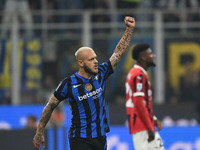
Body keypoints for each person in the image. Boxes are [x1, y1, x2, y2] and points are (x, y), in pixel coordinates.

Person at [33, 16, 135, 150]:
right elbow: (49, 106)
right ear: (81, 63)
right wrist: (39, 132)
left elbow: (118, 53)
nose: (96, 61)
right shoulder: (68, 84)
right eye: (91, 59)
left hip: (100, 137)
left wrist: (129, 29)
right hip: (80, 139)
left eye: (96, 58)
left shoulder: (101, 73)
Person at [125, 43, 165, 150]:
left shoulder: (134, 73)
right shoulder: (138, 75)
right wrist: (149, 127)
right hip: (142, 126)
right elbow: (138, 103)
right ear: (143, 57)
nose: (153, 56)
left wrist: (153, 119)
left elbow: (141, 103)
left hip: (142, 124)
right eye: (150, 54)